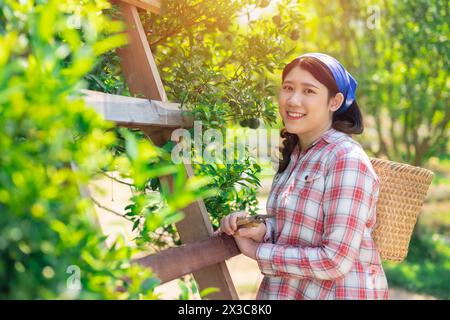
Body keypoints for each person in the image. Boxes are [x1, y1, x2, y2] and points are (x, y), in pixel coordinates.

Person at [219, 53, 389, 300]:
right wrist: (260, 229)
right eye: (288, 87)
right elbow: (300, 228)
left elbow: (335, 260)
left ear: (335, 101)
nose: (293, 100)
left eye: (309, 91)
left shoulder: (346, 159)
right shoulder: (297, 153)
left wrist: (259, 251)